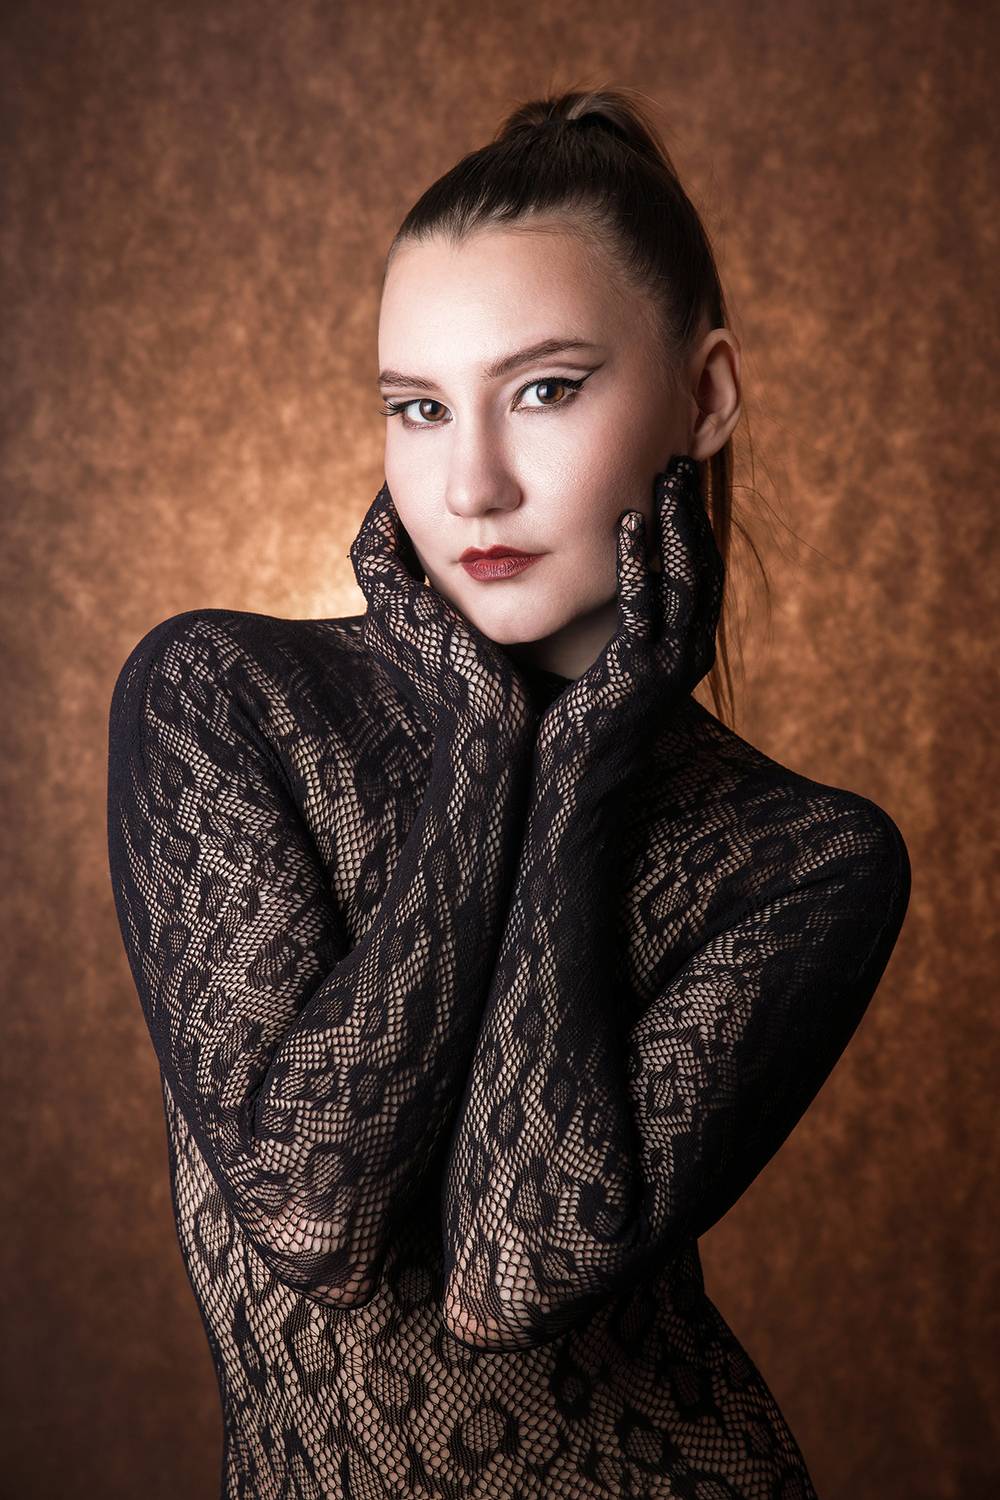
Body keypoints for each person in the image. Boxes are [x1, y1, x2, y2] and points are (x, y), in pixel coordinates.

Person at [106, 86, 911, 1500]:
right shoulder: (225, 697)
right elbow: (313, 1211)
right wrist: (484, 746)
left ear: (705, 396)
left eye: (544, 389)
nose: (470, 484)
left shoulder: (805, 858)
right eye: (419, 409)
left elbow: (510, 1267)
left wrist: (581, 767)